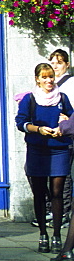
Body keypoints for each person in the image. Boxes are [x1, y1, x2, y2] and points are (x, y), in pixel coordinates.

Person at [15, 62, 74, 254]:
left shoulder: (62, 98)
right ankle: (43, 234)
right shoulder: (29, 99)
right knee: (39, 194)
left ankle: (56, 235)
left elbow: (72, 118)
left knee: (57, 192)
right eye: (45, 77)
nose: (49, 80)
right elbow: (21, 122)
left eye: (51, 77)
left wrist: (64, 125)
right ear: (37, 79)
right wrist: (38, 129)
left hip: (59, 149)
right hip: (37, 150)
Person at [49, 49, 74, 228]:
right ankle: (52, 210)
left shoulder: (70, 84)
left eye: (59, 62)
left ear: (67, 64)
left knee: (63, 175)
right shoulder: (50, 84)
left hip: (65, 135)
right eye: (52, 62)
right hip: (48, 135)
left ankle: (64, 213)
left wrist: (67, 120)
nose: (55, 66)